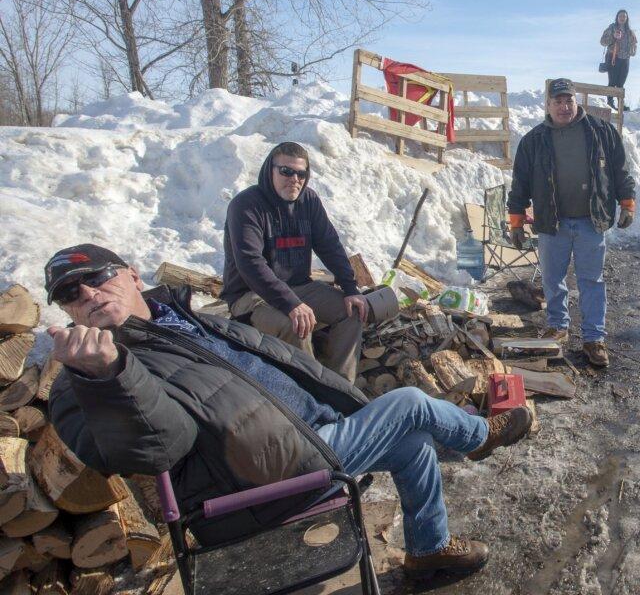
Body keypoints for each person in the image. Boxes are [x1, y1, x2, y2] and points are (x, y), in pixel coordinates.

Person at [43, 243, 533, 577]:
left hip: (307, 434)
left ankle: (427, 551)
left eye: (96, 278)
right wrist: (110, 376)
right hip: (261, 484)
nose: (86, 294)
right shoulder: (83, 381)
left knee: (412, 444)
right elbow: (155, 447)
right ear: (67, 312)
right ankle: (477, 437)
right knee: (408, 403)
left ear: (131, 275)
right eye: (70, 294)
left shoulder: (183, 319)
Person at [508, 78, 636, 368]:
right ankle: (557, 326)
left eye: (569, 100)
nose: (564, 107)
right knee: (553, 279)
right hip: (553, 223)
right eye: (558, 102)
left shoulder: (601, 132)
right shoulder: (533, 140)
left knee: (591, 280)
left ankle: (594, 338)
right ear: (548, 105)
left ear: (576, 102)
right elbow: (520, 185)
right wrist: (516, 221)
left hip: (591, 220)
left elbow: (620, 171)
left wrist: (627, 202)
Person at [222, 141, 366, 382]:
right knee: (295, 324)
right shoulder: (247, 205)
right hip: (250, 295)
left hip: (298, 286)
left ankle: (340, 387)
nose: (294, 179)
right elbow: (250, 262)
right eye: (286, 171)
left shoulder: (308, 201)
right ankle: (310, 393)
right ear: (271, 170)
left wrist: (351, 288)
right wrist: (291, 304)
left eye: (301, 173)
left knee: (352, 313)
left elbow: (329, 244)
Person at [600, 9, 637, 109]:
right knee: (612, 81)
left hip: (625, 59)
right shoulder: (612, 28)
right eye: (620, 16)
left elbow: (634, 45)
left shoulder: (630, 32)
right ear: (617, 17)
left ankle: (621, 104)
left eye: (624, 16)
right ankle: (610, 103)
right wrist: (613, 36)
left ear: (627, 18)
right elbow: (602, 42)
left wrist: (633, 47)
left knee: (621, 82)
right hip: (613, 57)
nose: (622, 18)